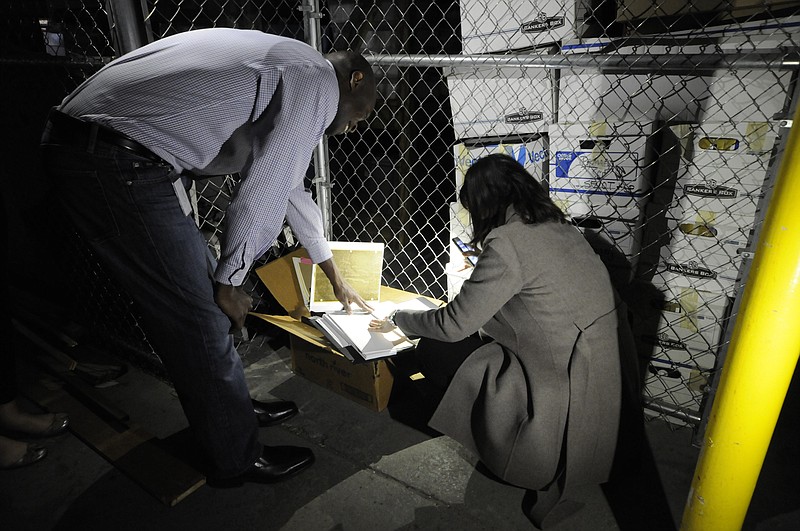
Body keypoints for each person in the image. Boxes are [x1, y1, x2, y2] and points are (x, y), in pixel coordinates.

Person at [39, 28, 377, 485]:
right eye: (365, 114)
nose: (357, 125)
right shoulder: (315, 79)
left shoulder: (295, 64)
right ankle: (236, 457)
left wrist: (334, 274)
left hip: (108, 148)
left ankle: (232, 409)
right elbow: (264, 191)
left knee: (204, 301)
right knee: (198, 315)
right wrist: (232, 282)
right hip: (116, 160)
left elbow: (291, 189)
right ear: (354, 79)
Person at [370, 153, 639, 528]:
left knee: (436, 348)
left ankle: (502, 443)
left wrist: (403, 319)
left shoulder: (508, 242)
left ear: (484, 205)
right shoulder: (562, 230)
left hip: (558, 404)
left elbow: (453, 325)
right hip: (603, 404)